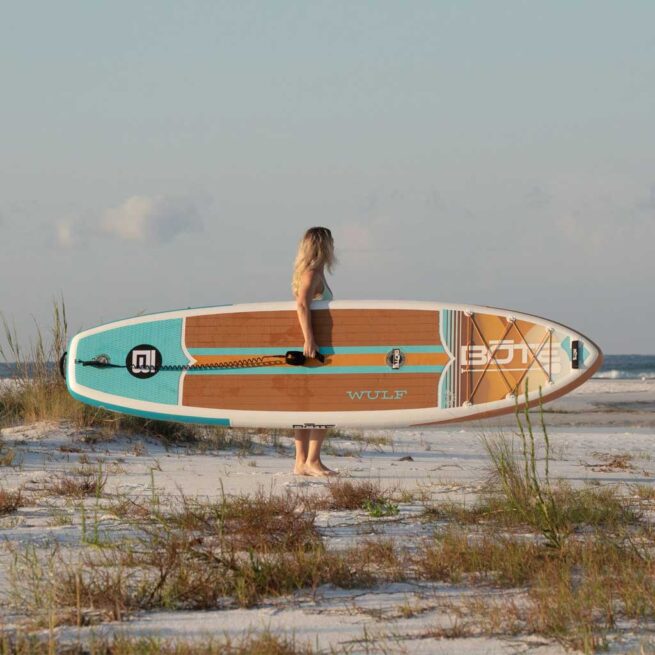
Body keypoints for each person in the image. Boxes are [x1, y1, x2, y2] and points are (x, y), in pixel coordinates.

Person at [291, 227, 337, 477]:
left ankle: (301, 462)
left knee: (305, 404)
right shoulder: (311, 275)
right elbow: (301, 304)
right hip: (315, 348)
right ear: (323, 247)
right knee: (323, 402)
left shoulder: (310, 274)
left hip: (310, 346)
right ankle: (313, 460)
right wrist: (310, 339)